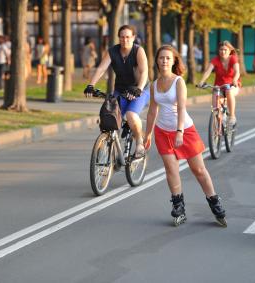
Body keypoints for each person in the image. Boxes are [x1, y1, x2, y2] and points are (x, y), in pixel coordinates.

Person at [143, 45, 226, 226]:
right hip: (162, 131)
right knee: (171, 170)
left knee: (198, 170)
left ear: (173, 62)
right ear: (156, 61)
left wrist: (179, 131)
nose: (164, 61)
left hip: (185, 130)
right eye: (161, 58)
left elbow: (181, 108)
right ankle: (178, 205)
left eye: (168, 58)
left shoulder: (178, 81)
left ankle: (214, 201)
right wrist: (147, 134)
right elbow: (152, 111)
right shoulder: (154, 85)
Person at [84, 25, 149, 158]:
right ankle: (113, 148)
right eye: (122, 37)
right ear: (119, 38)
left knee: (131, 115)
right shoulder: (112, 51)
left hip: (140, 89)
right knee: (109, 116)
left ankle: (139, 143)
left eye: (128, 37)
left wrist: (139, 89)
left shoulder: (138, 51)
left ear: (133, 38)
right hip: (120, 89)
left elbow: (144, 72)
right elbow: (101, 69)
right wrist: (91, 85)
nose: (125, 40)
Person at [197, 40, 241, 128]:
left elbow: (237, 72)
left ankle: (232, 116)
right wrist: (202, 81)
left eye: (225, 50)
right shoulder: (215, 60)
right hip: (219, 87)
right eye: (221, 49)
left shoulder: (233, 58)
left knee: (229, 91)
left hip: (232, 85)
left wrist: (235, 80)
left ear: (229, 51)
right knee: (215, 108)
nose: (223, 52)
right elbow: (208, 72)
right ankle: (219, 128)